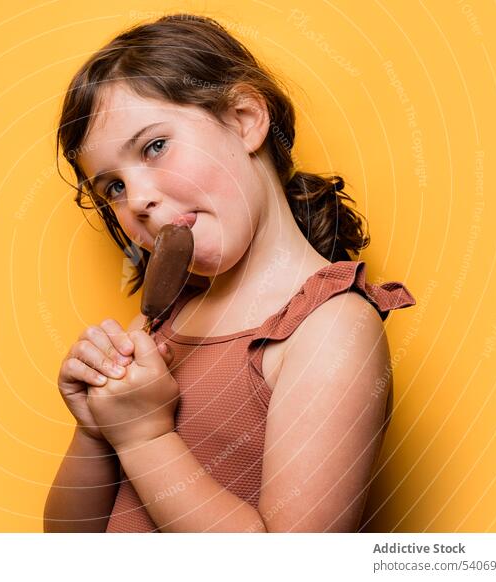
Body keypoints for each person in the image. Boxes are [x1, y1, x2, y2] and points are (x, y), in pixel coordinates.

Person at [43, 13, 416, 533]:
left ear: (244, 118)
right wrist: (95, 430)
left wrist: (144, 437)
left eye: (154, 146)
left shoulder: (331, 330)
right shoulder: (165, 322)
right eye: (114, 188)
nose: (139, 200)